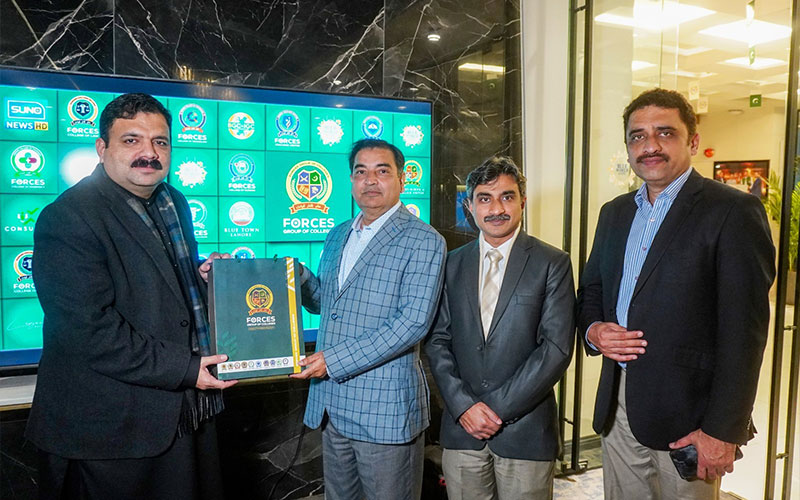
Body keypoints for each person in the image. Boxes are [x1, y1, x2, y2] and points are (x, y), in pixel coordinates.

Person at [26, 93, 235, 500]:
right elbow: (88, 332)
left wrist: (206, 278)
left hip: (179, 414)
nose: (149, 153)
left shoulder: (172, 201)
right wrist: (186, 368)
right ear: (102, 148)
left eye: (160, 141)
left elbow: (161, 284)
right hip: (110, 431)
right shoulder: (68, 217)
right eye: (131, 140)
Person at [577, 88, 775, 499]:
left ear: (693, 141)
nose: (649, 145)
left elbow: (745, 334)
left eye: (664, 133)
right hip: (618, 406)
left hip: (691, 417)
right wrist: (594, 330)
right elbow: (592, 289)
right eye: (637, 136)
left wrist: (722, 430)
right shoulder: (614, 213)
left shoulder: (732, 212)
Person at [289, 138, 446, 500]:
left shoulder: (424, 240)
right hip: (332, 406)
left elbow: (412, 322)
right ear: (351, 180)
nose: (370, 180)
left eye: (382, 171)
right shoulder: (338, 234)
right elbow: (327, 304)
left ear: (402, 179)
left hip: (384, 412)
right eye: (361, 172)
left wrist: (333, 361)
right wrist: (295, 276)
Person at [425, 156, 575, 500]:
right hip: (462, 430)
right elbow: (437, 341)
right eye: (484, 198)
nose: (496, 209)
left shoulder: (552, 263)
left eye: (507, 197)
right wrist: (464, 407)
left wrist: (496, 411)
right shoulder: (450, 264)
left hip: (525, 433)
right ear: (469, 206)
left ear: (523, 201)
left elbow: (555, 349)